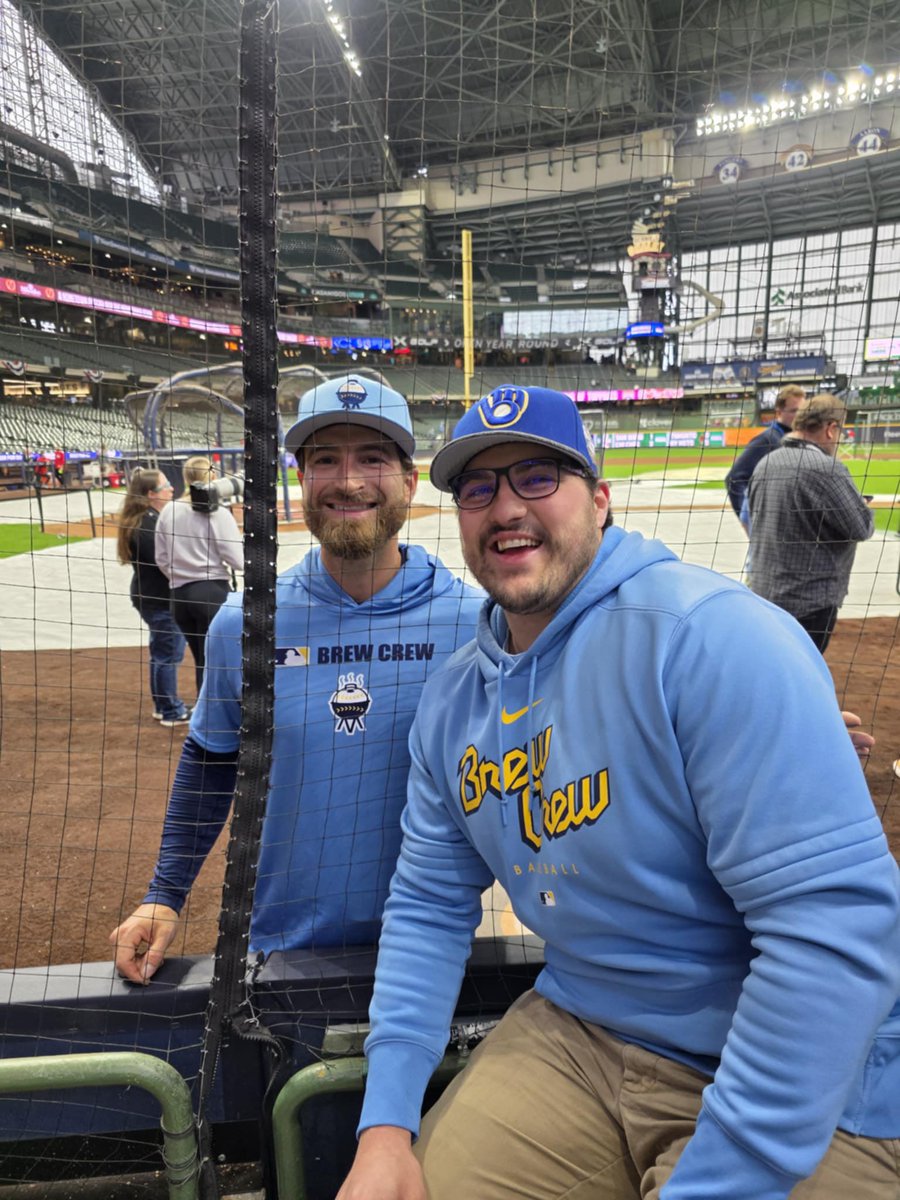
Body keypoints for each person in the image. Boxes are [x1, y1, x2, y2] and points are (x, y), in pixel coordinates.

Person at [338, 384, 900, 1200]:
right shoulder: (454, 700)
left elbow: (833, 935)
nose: (505, 509)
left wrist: (725, 1178)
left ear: (599, 500)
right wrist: (385, 1125)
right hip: (581, 1032)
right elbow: (427, 905)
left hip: (815, 1077)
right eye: (478, 488)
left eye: (537, 477)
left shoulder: (714, 639)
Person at [109, 375, 483, 982]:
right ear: (301, 482)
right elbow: (211, 761)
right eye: (325, 459)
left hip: (436, 954)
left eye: (372, 458)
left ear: (410, 482)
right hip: (283, 956)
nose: (349, 479)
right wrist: (164, 893)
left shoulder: (475, 624)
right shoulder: (246, 623)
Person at [747, 394, 874, 653]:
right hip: (810, 602)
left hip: (763, 594)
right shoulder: (827, 469)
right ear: (830, 429)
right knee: (799, 678)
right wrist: (859, 504)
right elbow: (861, 527)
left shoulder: (766, 462)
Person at [154, 455, 243, 693]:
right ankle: (219, 718)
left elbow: (161, 558)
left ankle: (204, 717)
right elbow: (238, 559)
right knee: (219, 662)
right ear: (213, 477)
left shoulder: (169, 509)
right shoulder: (217, 513)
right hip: (210, 592)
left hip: (179, 596)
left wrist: (182, 573)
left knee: (201, 660)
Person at [116, 469, 191, 727]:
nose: (172, 489)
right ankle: (170, 710)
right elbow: (166, 562)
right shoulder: (145, 524)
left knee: (161, 652)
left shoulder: (149, 518)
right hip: (157, 598)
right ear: (151, 494)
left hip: (153, 595)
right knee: (168, 654)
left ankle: (164, 705)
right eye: (166, 485)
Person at [725, 383, 805, 532]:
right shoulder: (768, 440)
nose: (799, 415)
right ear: (779, 412)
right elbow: (734, 479)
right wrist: (749, 522)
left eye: (802, 411)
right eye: (794, 411)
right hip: (769, 530)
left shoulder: (790, 439)